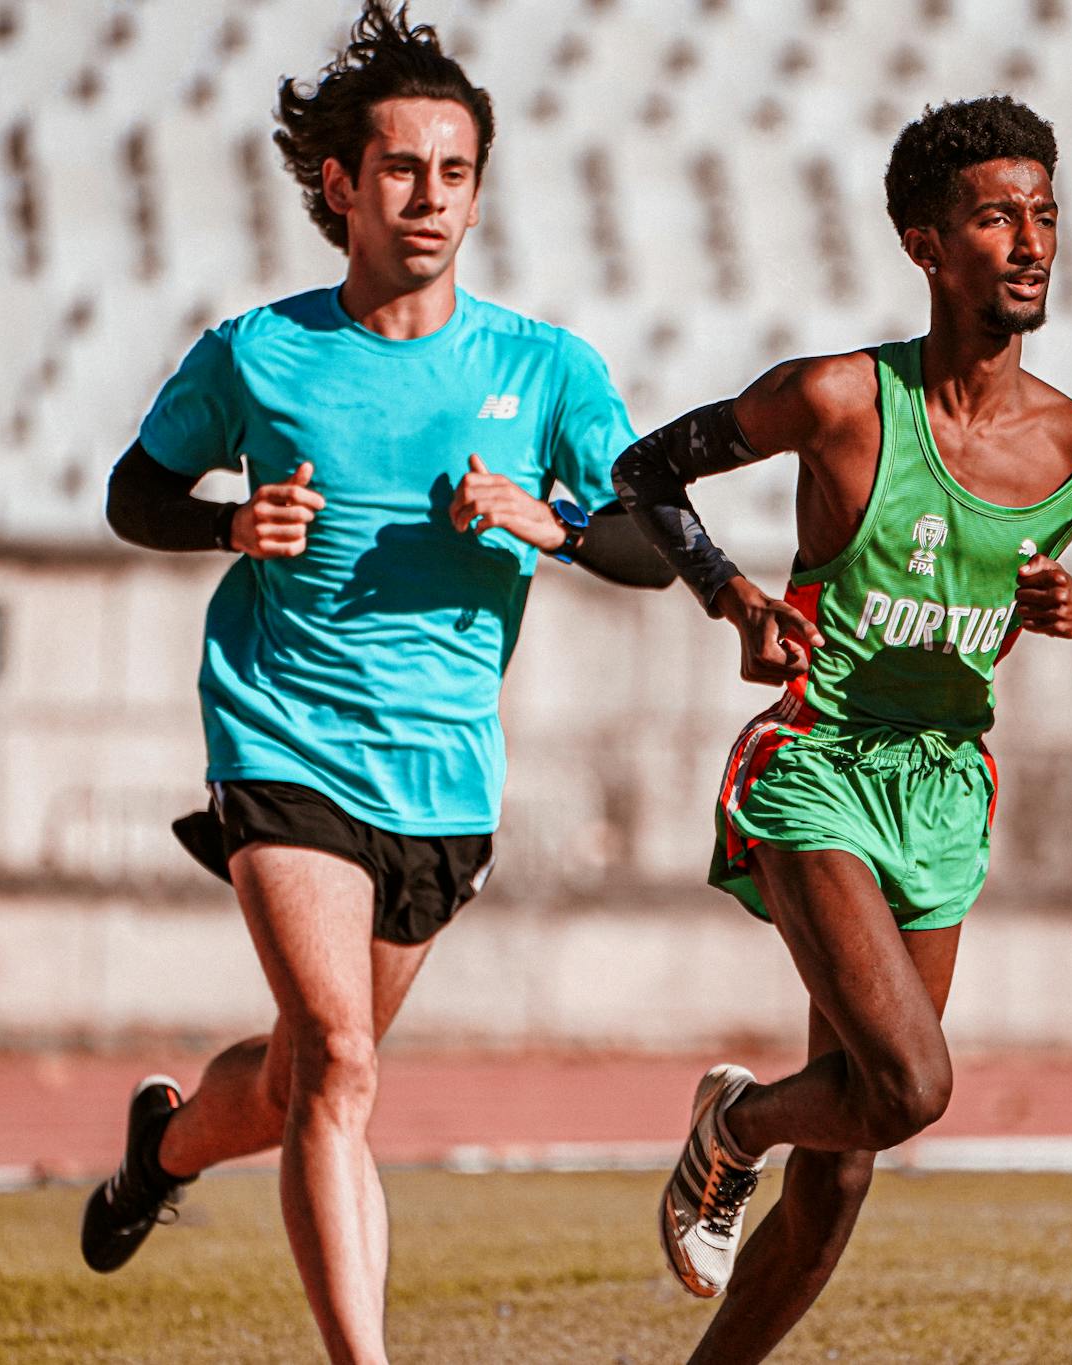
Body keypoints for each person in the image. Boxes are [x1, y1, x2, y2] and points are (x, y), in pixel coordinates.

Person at [79, 6, 671, 1361]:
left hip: (443, 767)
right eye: (401, 169)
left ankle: (162, 1152)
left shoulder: (546, 367)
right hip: (279, 728)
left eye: (454, 172)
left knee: (299, 1076)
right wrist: (231, 524)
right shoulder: (259, 353)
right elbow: (135, 493)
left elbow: (654, 541)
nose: (430, 197)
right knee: (345, 1063)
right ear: (340, 185)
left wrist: (550, 521)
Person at [612, 94, 1072, 1363]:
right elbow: (643, 472)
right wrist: (733, 597)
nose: (1031, 241)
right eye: (996, 216)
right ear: (924, 244)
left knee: (852, 1165)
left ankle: (739, 1174)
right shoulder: (834, 400)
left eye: (1044, 215)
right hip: (814, 766)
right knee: (914, 1088)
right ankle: (737, 1128)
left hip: (941, 791)